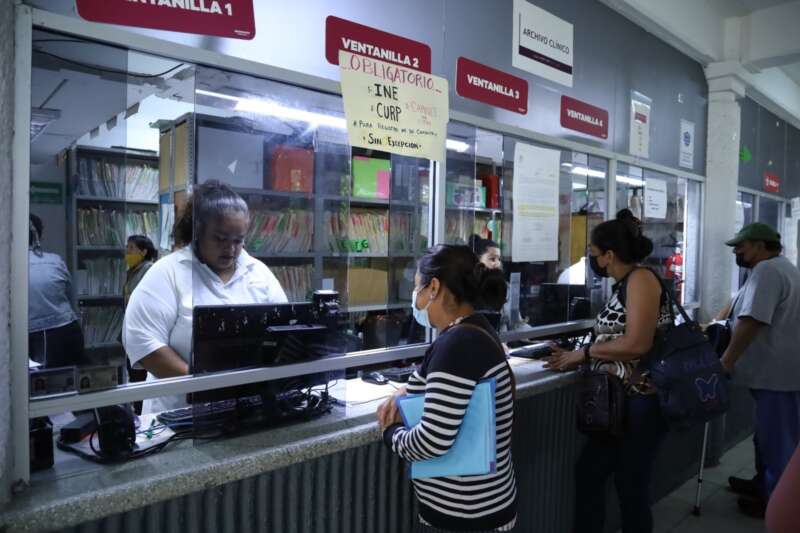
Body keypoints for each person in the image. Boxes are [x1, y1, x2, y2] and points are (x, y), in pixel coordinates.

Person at [544, 209, 672, 533]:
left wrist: (584, 353)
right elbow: (617, 336)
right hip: (620, 403)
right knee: (593, 474)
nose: (593, 259)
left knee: (630, 487)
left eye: (594, 252)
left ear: (609, 255)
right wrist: (576, 354)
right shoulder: (624, 283)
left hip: (640, 401)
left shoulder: (641, 280)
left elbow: (638, 343)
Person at [377, 244, 517, 532]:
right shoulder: (473, 328)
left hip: (466, 515)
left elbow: (432, 441)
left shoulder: (457, 344)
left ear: (434, 288)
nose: (414, 296)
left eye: (417, 287)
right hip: (484, 503)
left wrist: (390, 432)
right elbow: (437, 383)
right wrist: (405, 391)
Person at [123, 181, 288, 413]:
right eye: (220, 238)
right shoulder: (167, 273)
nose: (230, 249)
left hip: (247, 409)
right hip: (179, 415)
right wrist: (208, 386)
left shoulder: (259, 273)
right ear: (198, 231)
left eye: (238, 240)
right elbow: (146, 347)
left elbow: (285, 332)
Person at [714, 223, 800, 518]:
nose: (736, 251)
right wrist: (714, 323)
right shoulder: (777, 268)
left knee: (778, 442)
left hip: (777, 377)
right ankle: (762, 484)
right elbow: (737, 303)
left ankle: (776, 504)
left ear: (761, 246)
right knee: (766, 435)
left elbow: (752, 320)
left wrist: (726, 360)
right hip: (777, 375)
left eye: (741, 245)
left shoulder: (768, 272)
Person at [28, 214, 85, 368]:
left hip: (37, 336)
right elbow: (72, 300)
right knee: (68, 379)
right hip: (68, 329)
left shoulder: (9, 265)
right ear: (39, 235)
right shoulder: (55, 260)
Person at [123, 235, 157, 306]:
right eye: (127, 247)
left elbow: (147, 298)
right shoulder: (131, 270)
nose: (127, 251)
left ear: (144, 252)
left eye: (131, 247)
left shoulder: (149, 269)